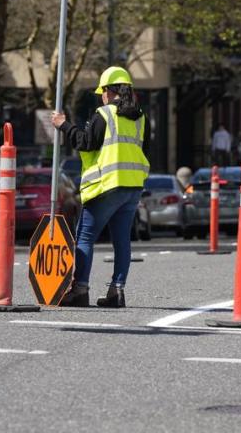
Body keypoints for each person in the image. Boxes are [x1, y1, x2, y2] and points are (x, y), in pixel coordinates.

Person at [51, 66, 150, 308]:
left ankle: (80, 290)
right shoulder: (140, 117)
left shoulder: (104, 115)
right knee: (122, 240)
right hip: (133, 185)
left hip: (108, 185)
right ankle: (117, 292)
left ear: (108, 91)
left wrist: (63, 125)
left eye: (102, 91)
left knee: (84, 237)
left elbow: (85, 143)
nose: (101, 96)